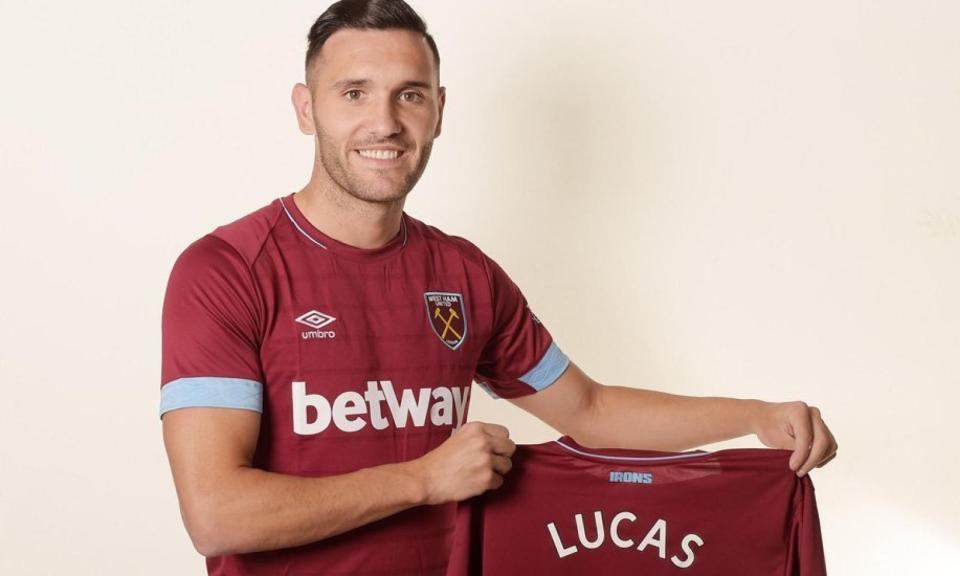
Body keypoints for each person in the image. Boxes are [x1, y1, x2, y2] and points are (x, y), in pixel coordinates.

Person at [160, 1, 838, 574]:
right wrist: (423, 479)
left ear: (439, 110)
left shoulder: (462, 274)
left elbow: (590, 410)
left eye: (410, 94)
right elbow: (218, 516)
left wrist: (752, 417)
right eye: (354, 92)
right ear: (307, 109)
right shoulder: (225, 270)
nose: (385, 122)